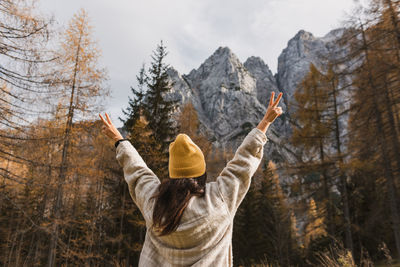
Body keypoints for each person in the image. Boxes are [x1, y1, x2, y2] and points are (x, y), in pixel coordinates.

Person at [99, 91, 283, 266]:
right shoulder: (218, 199)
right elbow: (242, 163)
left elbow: (137, 172)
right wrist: (265, 122)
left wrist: (118, 139)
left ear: (172, 174)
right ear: (201, 173)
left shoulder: (154, 202)